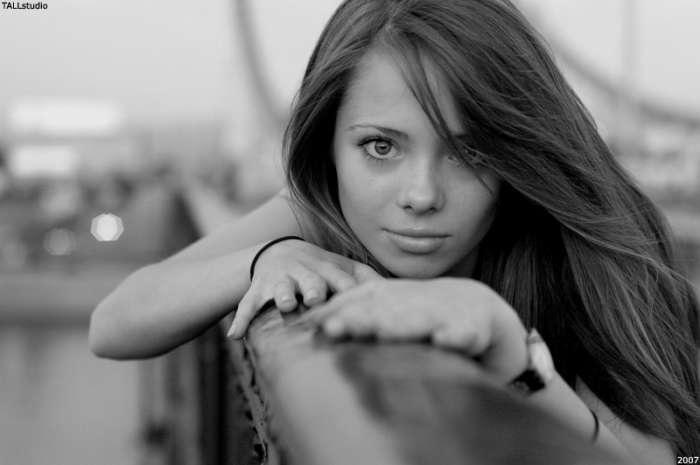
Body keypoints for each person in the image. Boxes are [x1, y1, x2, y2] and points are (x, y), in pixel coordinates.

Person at [89, 0, 700, 462]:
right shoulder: (322, 210)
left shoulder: (585, 254)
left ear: (515, 152)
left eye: (470, 153)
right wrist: (267, 258)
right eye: (381, 147)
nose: (421, 195)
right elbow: (114, 323)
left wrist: (513, 352)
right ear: (329, 144)